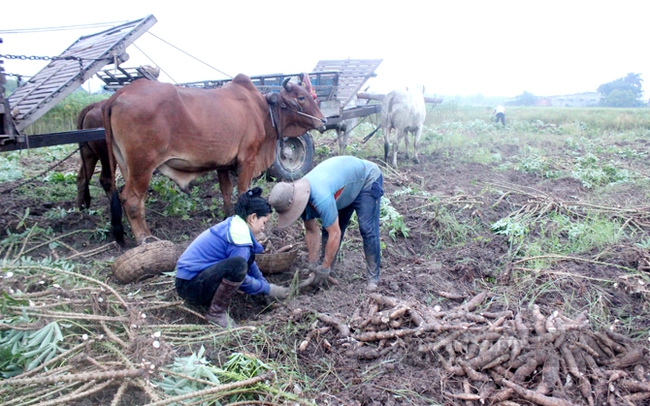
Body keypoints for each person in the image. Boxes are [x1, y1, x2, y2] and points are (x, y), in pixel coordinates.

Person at [175, 187, 290, 328]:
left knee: (246, 258)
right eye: (264, 222)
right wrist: (268, 288)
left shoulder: (236, 225)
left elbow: (250, 262)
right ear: (253, 218)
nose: (263, 228)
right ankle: (216, 313)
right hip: (189, 286)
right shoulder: (238, 237)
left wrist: (266, 286)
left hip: (192, 279)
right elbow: (241, 275)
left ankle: (262, 297)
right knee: (238, 266)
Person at [268, 156, 384, 291]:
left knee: (366, 229)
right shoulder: (299, 196)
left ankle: (373, 279)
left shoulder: (320, 196)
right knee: (329, 228)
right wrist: (313, 263)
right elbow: (311, 230)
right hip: (344, 188)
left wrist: (325, 267)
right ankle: (327, 271)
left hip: (367, 179)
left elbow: (334, 233)